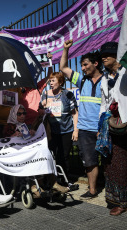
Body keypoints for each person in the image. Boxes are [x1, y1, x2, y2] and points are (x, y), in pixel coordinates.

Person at [60, 39, 103, 199]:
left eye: (85, 65)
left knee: (110, 162)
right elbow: (63, 68)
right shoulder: (82, 80)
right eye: (82, 65)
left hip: (102, 129)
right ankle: (92, 190)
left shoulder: (106, 81)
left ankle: (114, 191)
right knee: (89, 161)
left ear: (96, 63)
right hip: (85, 129)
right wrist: (66, 50)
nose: (83, 68)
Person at [3, 104, 69, 197]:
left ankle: (53, 182)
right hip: (17, 154)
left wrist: (32, 133)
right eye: (19, 114)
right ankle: (34, 186)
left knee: (44, 152)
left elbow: (28, 139)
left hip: (28, 150)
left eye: (24, 113)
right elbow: (4, 142)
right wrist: (13, 136)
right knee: (35, 156)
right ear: (14, 114)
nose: (22, 116)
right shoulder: (9, 126)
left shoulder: (23, 125)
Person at [99, 41, 127, 216]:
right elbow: (103, 103)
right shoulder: (104, 78)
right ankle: (120, 201)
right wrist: (100, 127)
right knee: (114, 164)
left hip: (125, 121)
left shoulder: (125, 73)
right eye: (102, 55)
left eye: (107, 54)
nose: (103, 57)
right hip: (112, 126)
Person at [41, 72, 78, 174]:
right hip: (51, 131)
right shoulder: (46, 94)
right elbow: (40, 111)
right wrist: (44, 107)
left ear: (61, 82)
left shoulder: (67, 94)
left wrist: (76, 130)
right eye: (50, 81)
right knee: (51, 154)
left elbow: (74, 113)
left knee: (64, 156)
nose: (51, 83)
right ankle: (52, 178)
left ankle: (64, 179)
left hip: (66, 130)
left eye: (53, 81)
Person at [19, 52, 53, 125]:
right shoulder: (20, 88)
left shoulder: (38, 87)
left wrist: (50, 61)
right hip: (22, 124)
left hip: (36, 123)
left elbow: (49, 76)